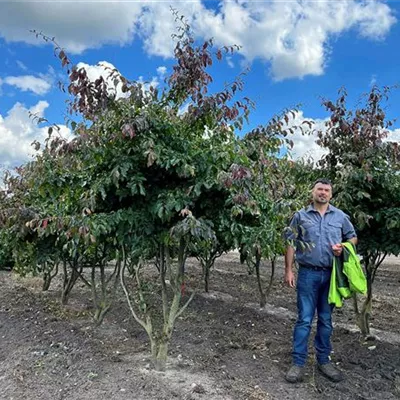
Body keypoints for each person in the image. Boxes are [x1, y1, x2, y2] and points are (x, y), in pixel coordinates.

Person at [284, 178, 357, 383]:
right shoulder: (300, 216)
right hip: (308, 274)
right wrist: (289, 270)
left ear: (331, 195)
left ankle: (324, 360)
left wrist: (343, 246)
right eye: (319, 189)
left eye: (326, 190)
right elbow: (290, 242)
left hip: (331, 275)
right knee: (304, 319)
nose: (323, 193)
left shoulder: (340, 216)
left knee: (325, 319)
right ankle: (298, 363)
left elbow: (353, 237)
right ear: (313, 192)